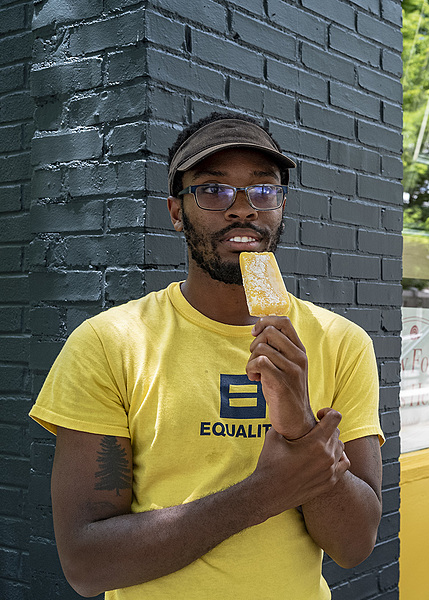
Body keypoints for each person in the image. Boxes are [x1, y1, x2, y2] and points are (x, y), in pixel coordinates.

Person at [29, 113, 384, 599]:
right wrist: (264, 492)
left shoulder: (342, 342)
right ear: (176, 212)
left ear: (281, 206)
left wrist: (301, 426)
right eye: (213, 190)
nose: (242, 209)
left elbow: (355, 546)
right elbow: (87, 565)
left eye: (263, 190)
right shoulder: (109, 343)